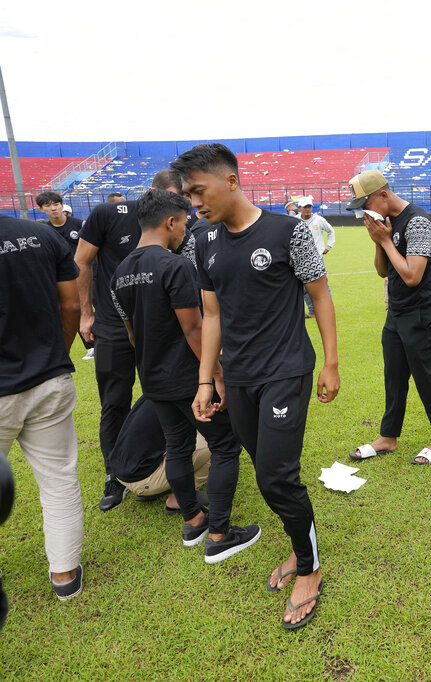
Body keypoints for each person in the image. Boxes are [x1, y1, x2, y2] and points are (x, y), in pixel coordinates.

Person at [171, 143, 338, 629]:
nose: (194, 203)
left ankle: (310, 567)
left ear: (230, 181)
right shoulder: (203, 241)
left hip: (286, 370)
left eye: (199, 191)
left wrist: (331, 362)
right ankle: (298, 543)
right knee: (268, 472)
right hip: (239, 377)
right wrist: (207, 378)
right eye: (187, 195)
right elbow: (213, 314)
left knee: (275, 476)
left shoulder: (289, 232)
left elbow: (320, 297)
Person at [110, 189, 260, 561]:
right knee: (225, 444)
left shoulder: (120, 272)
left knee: (177, 444)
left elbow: (131, 333)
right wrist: (215, 375)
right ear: (170, 222)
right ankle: (221, 533)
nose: (186, 230)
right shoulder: (173, 265)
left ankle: (194, 520)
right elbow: (195, 329)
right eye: (184, 222)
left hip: (153, 377)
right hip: (186, 376)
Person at [75, 169, 188, 511]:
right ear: (152, 191)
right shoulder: (109, 214)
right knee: (115, 402)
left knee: (166, 395)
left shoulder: (180, 226)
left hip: (158, 327)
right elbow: (82, 260)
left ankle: (169, 463)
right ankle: (115, 476)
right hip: (112, 325)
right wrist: (86, 314)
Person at [0, 212, 84, 601]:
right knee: (59, 480)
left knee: (59, 478)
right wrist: (57, 355)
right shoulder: (40, 235)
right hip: (49, 378)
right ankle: (64, 573)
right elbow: (72, 306)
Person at [346, 169, 431, 466]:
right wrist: (378, 240)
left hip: (420, 314)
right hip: (396, 313)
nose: (364, 213)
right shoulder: (386, 224)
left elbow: (412, 275)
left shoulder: (418, 221)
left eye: (365, 205)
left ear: (382, 195)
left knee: (425, 379)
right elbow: (383, 270)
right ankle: (388, 437)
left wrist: (387, 240)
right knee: (393, 377)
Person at [110, 396, 212, 514]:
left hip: (120, 469)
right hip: (141, 478)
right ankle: (180, 498)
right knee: (219, 442)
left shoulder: (157, 387)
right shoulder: (187, 395)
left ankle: (163, 485)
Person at [37, 191, 93, 359]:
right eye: (48, 206)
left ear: (62, 205)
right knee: (68, 309)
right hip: (61, 278)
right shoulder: (43, 230)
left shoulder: (79, 224)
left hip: (85, 275)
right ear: (41, 209)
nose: (53, 208)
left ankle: (97, 342)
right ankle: (87, 346)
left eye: (56, 204)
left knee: (91, 306)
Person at [296, 196, 335, 319]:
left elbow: (331, 231)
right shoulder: (294, 220)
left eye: (310, 206)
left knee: (323, 285)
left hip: (317, 257)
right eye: (305, 207)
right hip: (300, 258)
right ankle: (312, 311)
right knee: (304, 286)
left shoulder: (319, 219)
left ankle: (329, 310)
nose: (308, 209)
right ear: (299, 208)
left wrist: (328, 246)